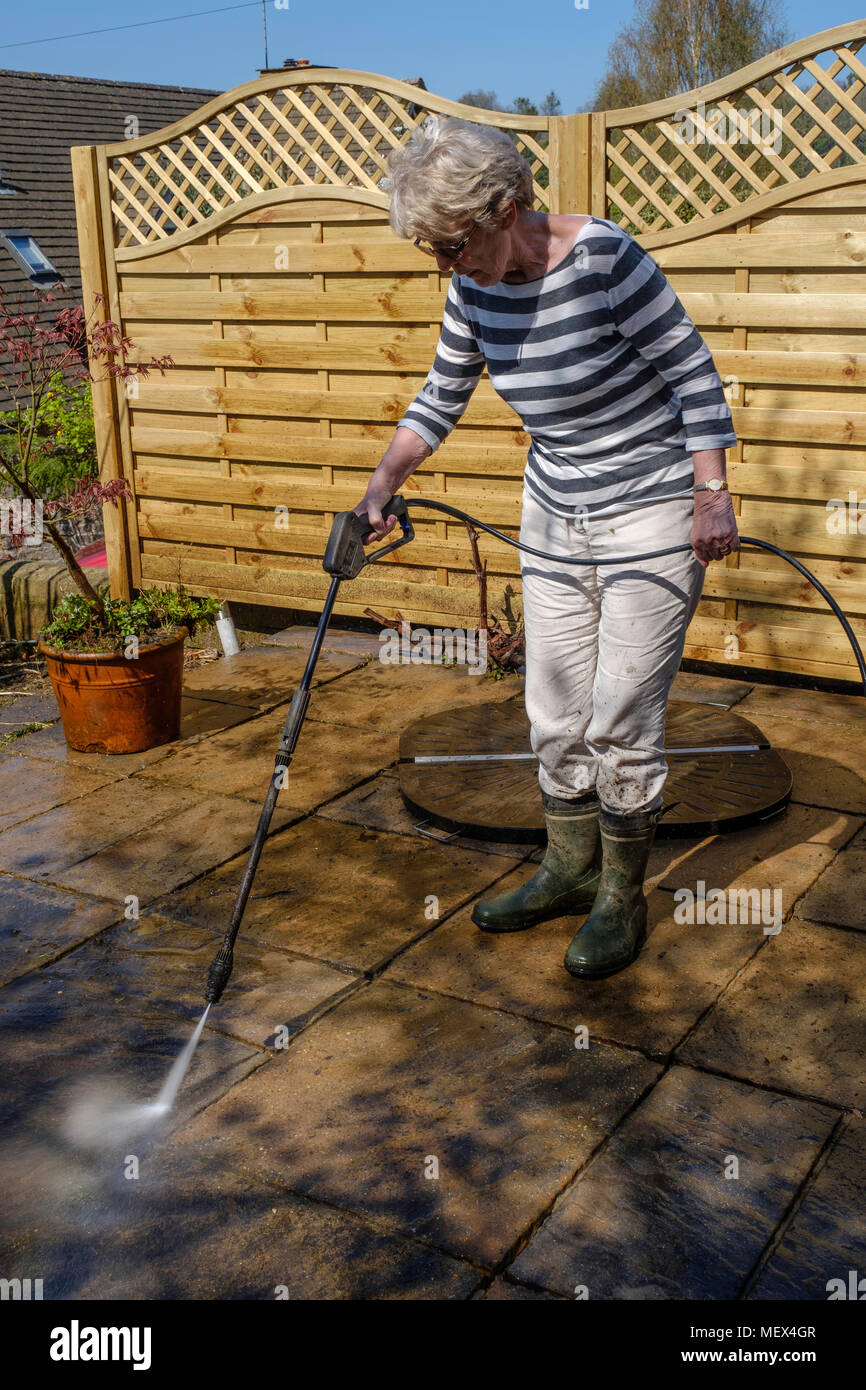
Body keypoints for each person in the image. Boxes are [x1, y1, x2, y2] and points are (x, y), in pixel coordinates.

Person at [353, 115, 739, 979]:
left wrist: (711, 493)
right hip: (555, 514)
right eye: (433, 252)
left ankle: (620, 895)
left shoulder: (606, 260)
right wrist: (383, 482)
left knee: (621, 713)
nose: (446, 266)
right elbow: (440, 395)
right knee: (553, 712)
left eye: (453, 243)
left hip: (651, 510)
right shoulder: (471, 288)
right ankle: (568, 869)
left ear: (509, 205)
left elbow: (692, 371)